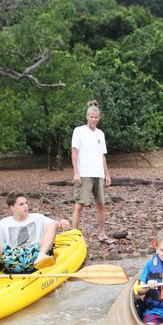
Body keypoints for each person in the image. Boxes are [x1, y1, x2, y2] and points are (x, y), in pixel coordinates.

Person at [0, 192, 70, 287]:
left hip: (35, 257)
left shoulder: (38, 217)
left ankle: (42, 255)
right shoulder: (4, 222)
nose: (26, 206)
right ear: (12, 207)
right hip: (13, 259)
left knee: (53, 224)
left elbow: (57, 224)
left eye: (26, 203)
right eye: (21, 204)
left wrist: (62, 221)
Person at [71, 100, 113, 244]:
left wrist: (107, 174)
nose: (93, 119)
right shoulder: (79, 131)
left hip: (98, 173)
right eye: (91, 117)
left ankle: (102, 234)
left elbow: (102, 155)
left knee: (101, 204)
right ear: (87, 116)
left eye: (96, 117)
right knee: (80, 204)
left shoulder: (100, 134)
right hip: (84, 173)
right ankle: (74, 235)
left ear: (98, 118)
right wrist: (76, 172)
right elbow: (74, 152)